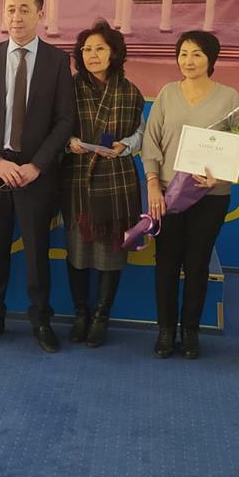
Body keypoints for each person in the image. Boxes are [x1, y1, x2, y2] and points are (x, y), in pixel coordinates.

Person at [0, 0, 75, 353]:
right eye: (10, 9)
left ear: (40, 14)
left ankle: (41, 320)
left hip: (35, 175)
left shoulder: (57, 62)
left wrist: (37, 165)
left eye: (25, 9)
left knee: (36, 252)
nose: (16, 16)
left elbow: (64, 120)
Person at [141, 30, 239, 360]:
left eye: (197, 54)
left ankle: (191, 331)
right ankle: (166, 330)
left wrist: (221, 173)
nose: (189, 60)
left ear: (211, 58)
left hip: (211, 195)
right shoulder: (168, 94)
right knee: (166, 263)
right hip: (169, 194)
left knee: (198, 264)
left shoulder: (229, 97)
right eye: (183, 54)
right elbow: (151, 142)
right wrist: (153, 184)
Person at [62, 20, 144, 348]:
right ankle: (81, 313)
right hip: (78, 177)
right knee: (77, 250)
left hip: (116, 179)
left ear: (114, 53)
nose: (92, 55)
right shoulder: (67, 88)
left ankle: (101, 316)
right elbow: (53, 127)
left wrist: (128, 144)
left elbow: (141, 132)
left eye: (99, 48)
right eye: (86, 49)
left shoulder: (130, 91)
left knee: (111, 251)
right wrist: (69, 142)